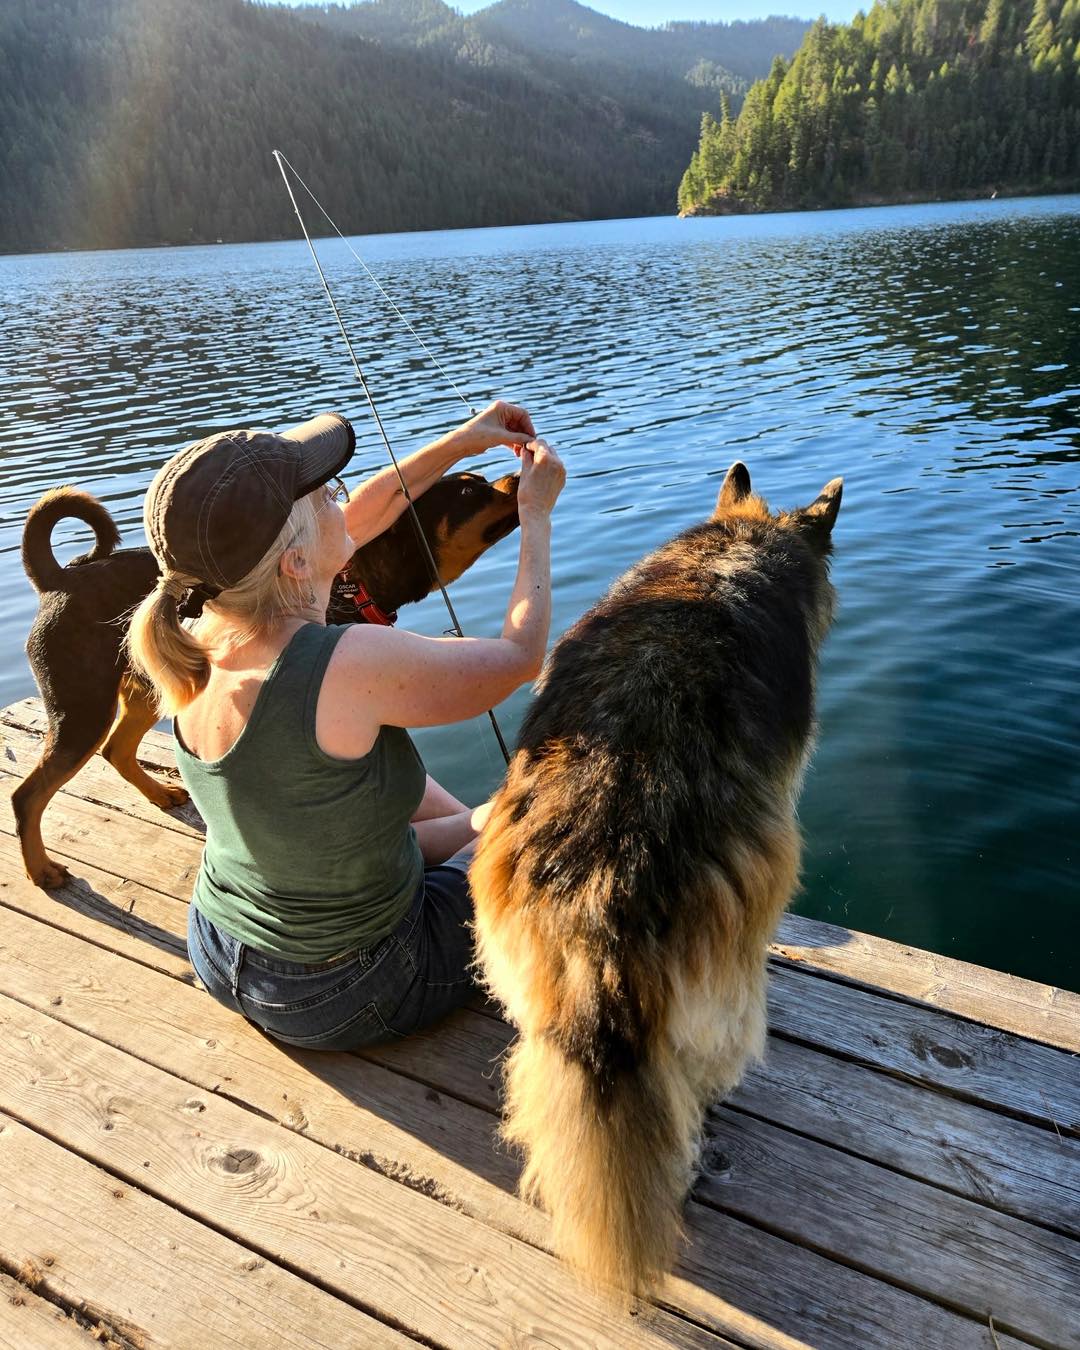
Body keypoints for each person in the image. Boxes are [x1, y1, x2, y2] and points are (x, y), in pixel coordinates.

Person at [128, 402, 565, 1050]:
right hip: (352, 990)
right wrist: (534, 517)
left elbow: (369, 507)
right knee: (551, 833)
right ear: (296, 563)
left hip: (222, 948)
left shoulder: (197, 639)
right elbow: (519, 659)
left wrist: (466, 439)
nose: (344, 499)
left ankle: (489, 823)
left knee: (496, 815)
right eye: (327, 494)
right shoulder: (348, 661)